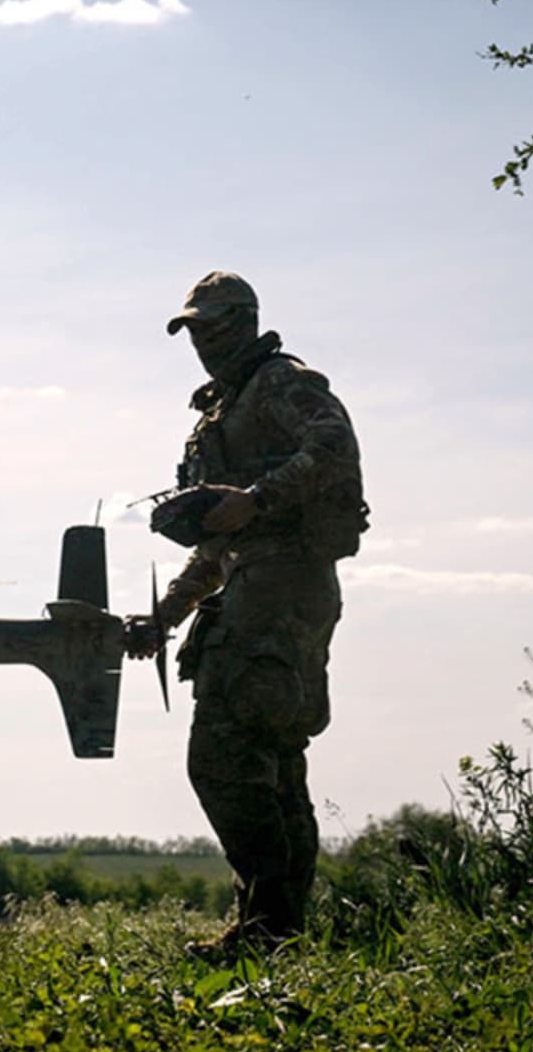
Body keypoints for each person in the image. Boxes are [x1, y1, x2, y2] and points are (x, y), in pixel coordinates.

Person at [123, 271, 366, 956]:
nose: (204, 342)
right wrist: (165, 617)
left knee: (226, 757)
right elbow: (220, 548)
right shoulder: (222, 409)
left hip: (283, 594)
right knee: (273, 764)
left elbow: (334, 445)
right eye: (195, 330)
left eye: (217, 326)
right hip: (263, 589)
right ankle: (279, 931)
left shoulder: (280, 383)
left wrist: (256, 497)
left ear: (249, 322)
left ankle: (266, 928)